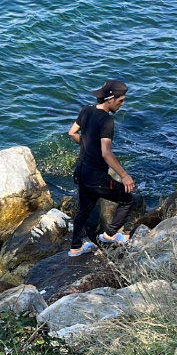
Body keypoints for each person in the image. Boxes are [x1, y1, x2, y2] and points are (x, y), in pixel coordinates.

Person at [67, 80, 140, 256]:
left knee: (84, 209)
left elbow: (72, 133)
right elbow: (106, 153)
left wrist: (86, 146)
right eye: (120, 100)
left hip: (82, 171)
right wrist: (124, 176)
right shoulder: (107, 121)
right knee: (128, 200)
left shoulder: (86, 110)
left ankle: (75, 247)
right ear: (110, 99)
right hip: (96, 176)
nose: (122, 104)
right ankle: (109, 235)